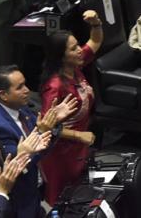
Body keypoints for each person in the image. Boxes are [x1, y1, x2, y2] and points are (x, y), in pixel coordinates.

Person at [37, 12, 102, 203]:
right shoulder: (54, 86)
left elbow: (95, 42)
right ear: (62, 56)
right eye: (74, 48)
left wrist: (96, 23)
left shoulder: (76, 67)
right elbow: (45, 126)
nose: (80, 50)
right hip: (61, 153)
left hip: (79, 148)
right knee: (64, 200)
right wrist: (78, 136)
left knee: (81, 197)